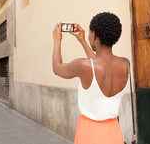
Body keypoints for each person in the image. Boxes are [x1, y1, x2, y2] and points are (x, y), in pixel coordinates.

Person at [52, 12, 130, 144]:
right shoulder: (125, 63)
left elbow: (56, 68)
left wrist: (57, 40)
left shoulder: (83, 65)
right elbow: (98, 63)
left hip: (90, 133)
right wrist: (82, 40)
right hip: (114, 131)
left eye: (89, 33)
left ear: (93, 34)